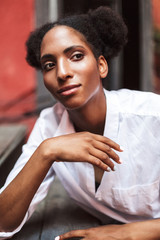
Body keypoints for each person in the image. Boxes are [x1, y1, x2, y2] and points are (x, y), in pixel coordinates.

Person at [0, 6, 160, 240]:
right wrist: (47, 151)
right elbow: (3, 221)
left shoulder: (151, 116)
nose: (62, 73)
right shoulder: (49, 126)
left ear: (101, 65)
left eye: (76, 56)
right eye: (49, 65)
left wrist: (127, 233)